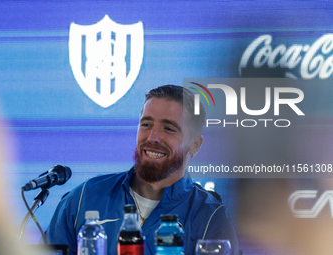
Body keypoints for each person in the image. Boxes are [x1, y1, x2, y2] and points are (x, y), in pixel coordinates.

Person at [46, 85, 241, 255]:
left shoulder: (210, 217)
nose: (152, 137)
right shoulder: (84, 199)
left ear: (195, 145)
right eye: (146, 124)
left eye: (169, 128)